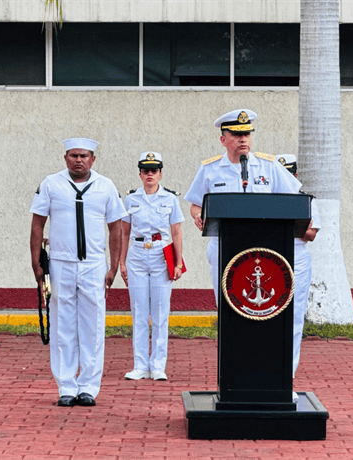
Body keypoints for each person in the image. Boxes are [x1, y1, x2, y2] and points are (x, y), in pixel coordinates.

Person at [30, 137, 127, 407]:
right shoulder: (51, 184)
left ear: (93, 159)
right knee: (62, 324)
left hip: (93, 264)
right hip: (61, 263)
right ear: (65, 158)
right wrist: (36, 262)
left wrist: (113, 265)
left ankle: (88, 387)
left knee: (93, 324)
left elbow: (116, 228)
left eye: (84, 156)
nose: (78, 160)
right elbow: (37, 224)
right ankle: (65, 386)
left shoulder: (105, 186)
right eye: (73, 155)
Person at [184, 109, 302, 301]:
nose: (243, 139)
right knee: (226, 300)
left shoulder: (269, 166)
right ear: (223, 140)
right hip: (223, 244)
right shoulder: (209, 169)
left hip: (264, 246)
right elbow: (196, 204)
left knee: (263, 304)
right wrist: (198, 215)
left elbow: (293, 200)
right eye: (237, 134)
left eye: (246, 134)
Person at [120, 152, 185, 381]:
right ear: (140, 174)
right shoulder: (131, 199)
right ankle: (139, 365)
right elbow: (124, 232)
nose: (150, 175)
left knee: (160, 312)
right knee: (139, 311)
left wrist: (178, 262)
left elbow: (176, 231)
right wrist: (121, 262)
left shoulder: (170, 199)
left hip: (160, 254)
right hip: (137, 255)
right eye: (145, 171)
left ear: (160, 174)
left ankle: (158, 365)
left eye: (154, 171)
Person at [276, 154, 321, 377]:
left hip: (297, 256)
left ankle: (289, 370)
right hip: (271, 255)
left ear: (295, 175)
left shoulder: (306, 201)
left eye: (289, 173)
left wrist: (287, 225)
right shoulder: (265, 200)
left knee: (294, 313)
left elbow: (311, 234)